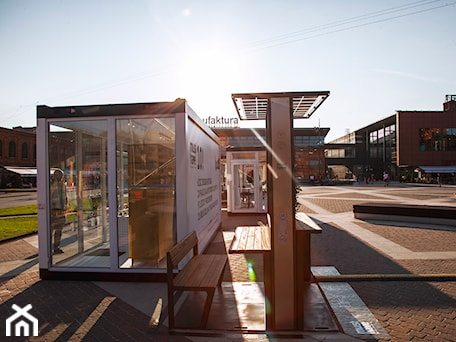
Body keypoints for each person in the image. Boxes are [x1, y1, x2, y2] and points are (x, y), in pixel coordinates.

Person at [50, 169, 67, 254]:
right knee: (50, 230)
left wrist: (65, 207)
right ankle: (48, 248)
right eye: (58, 176)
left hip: (61, 210)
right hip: (53, 210)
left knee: (59, 231)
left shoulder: (63, 185)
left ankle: (56, 247)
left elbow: (65, 197)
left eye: (61, 176)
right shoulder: (51, 184)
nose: (60, 178)